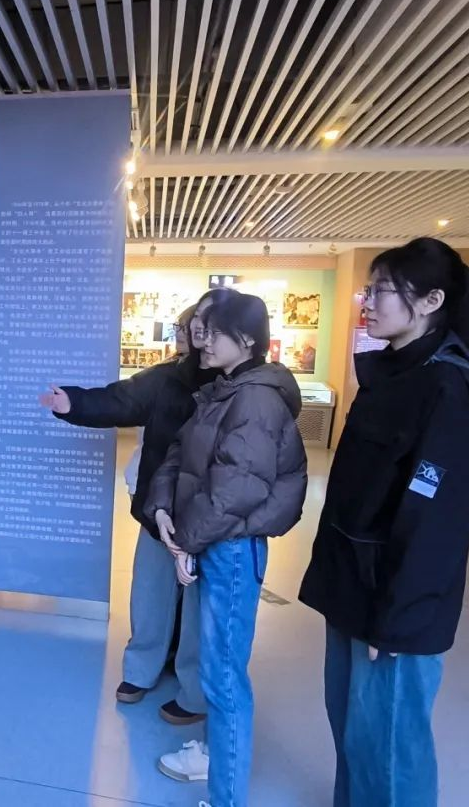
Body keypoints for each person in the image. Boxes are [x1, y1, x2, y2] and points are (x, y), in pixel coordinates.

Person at [298, 238, 469, 807]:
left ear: (431, 301)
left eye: (383, 291)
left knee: (389, 746)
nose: (367, 302)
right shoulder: (393, 373)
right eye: (368, 290)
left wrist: (396, 621)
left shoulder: (448, 388)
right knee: (352, 729)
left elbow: (438, 519)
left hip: (393, 603)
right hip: (355, 583)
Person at [146, 292, 307, 806]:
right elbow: (181, 454)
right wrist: (163, 509)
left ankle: (226, 796)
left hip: (230, 548)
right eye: (201, 328)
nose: (203, 339)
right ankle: (216, 758)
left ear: (248, 340)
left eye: (214, 331)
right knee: (217, 669)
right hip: (213, 540)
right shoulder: (227, 388)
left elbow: (238, 488)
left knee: (224, 677)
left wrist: (184, 539)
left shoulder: (255, 399)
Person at [40, 290, 231, 725]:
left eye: (203, 327)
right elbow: (121, 399)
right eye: (189, 326)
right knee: (150, 593)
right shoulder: (168, 378)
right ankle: (141, 669)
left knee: (201, 608)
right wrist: (74, 403)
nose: (193, 335)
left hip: (212, 516)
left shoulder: (243, 385)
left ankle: (193, 690)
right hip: (159, 506)